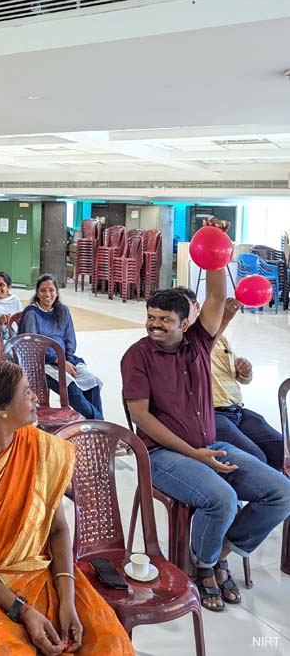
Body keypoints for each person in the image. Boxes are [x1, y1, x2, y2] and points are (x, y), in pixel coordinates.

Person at [0, 361, 134, 656]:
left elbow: (59, 528)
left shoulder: (38, 446)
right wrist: (22, 611)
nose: (37, 396)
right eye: (26, 392)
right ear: (1, 410)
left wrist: (67, 598)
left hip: (39, 570)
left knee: (110, 644)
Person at [121, 261, 290, 613]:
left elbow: (216, 294)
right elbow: (140, 417)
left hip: (211, 446)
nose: (154, 324)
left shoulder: (199, 342)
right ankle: (204, 565)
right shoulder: (137, 356)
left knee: (281, 492)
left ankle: (214, 554)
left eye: (164, 319)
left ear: (185, 323)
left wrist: (216, 254)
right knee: (223, 499)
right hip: (161, 455)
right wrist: (195, 455)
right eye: (151, 317)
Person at [176, 288, 283, 471]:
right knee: (256, 459)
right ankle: (264, 494)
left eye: (187, 308)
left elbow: (240, 378)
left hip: (237, 411)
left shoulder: (221, 339)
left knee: (282, 449)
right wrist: (224, 319)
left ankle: (278, 494)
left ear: (197, 308)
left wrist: (245, 371)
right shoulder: (179, 340)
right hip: (211, 415)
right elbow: (198, 355)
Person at [19, 274, 103, 421]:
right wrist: (60, 362)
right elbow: (31, 346)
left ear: (57, 292)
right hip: (42, 364)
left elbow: (70, 340)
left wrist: (68, 360)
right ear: (37, 293)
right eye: (43, 290)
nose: (47, 294)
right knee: (72, 389)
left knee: (92, 382)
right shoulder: (32, 313)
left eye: (51, 290)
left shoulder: (63, 311)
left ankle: (94, 425)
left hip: (66, 360)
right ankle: (100, 423)